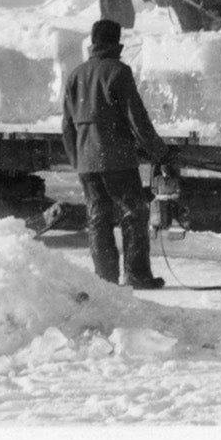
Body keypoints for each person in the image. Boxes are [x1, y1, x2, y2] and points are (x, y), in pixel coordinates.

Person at [60, 17, 169, 290]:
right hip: (116, 159)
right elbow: (137, 119)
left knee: (98, 218)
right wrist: (160, 153)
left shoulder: (75, 74)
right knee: (134, 213)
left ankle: (105, 280)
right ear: (117, 43)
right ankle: (137, 275)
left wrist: (77, 160)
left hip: (87, 161)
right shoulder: (118, 71)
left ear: (93, 42)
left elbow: (67, 124)